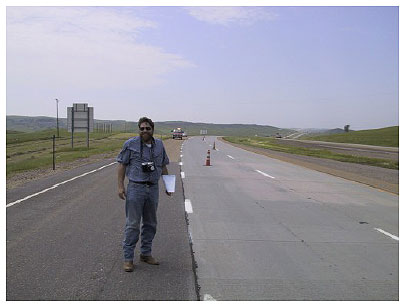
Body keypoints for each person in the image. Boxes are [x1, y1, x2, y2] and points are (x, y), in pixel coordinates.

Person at [117, 117, 172, 272]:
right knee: (133, 224)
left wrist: (169, 186)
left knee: (150, 224)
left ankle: (146, 254)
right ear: (138, 130)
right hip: (136, 188)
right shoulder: (130, 144)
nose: (144, 131)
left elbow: (163, 166)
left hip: (152, 189)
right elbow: (121, 165)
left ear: (152, 129)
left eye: (147, 128)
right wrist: (120, 186)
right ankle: (128, 258)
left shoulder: (160, 145)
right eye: (142, 128)